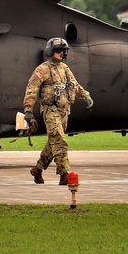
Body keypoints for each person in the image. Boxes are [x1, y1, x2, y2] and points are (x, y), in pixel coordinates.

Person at [22, 37, 94, 185]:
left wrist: (85, 95)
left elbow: (74, 85)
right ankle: (64, 174)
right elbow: (32, 89)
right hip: (50, 110)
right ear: (51, 51)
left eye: (64, 51)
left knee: (53, 142)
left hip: (64, 111)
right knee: (60, 140)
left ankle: (38, 169)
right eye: (59, 51)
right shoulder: (42, 69)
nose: (62, 53)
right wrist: (28, 110)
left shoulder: (65, 69)